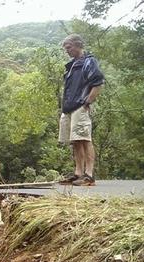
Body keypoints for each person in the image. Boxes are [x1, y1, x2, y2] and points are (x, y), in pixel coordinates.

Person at [58, 34, 104, 186]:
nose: (67, 50)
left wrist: (87, 102)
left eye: (69, 47)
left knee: (85, 139)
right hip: (69, 108)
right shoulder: (72, 64)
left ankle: (89, 176)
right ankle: (78, 173)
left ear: (78, 45)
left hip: (80, 106)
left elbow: (98, 83)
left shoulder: (88, 61)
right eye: (66, 48)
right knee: (75, 141)